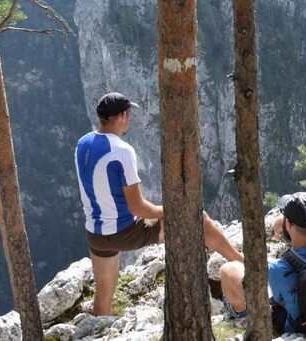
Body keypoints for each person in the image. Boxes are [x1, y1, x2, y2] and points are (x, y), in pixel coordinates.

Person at [75, 92, 243, 316]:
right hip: (123, 231)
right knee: (198, 218)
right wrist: (175, 209)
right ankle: (242, 261)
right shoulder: (122, 151)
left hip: (94, 234)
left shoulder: (82, 143)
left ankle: (101, 327)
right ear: (124, 115)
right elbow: (139, 209)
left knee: (103, 295)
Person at [219, 192, 306, 335]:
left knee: (228, 270)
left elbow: (277, 300)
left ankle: (239, 316)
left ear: (288, 224)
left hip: (301, 329)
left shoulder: (280, 269)